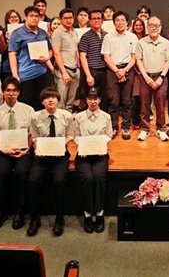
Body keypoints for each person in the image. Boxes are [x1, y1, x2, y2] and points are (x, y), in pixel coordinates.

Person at [0, 77, 35, 231]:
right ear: (3, 92)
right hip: (4, 150)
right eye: (8, 90)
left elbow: (32, 134)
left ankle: (21, 210)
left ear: (19, 92)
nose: (11, 93)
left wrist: (27, 149)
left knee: (21, 172)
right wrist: (2, 149)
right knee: (0, 173)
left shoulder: (28, 110)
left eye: (14, 90)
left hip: (23, 150)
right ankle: (1, 211)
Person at [27, 87, 74, 237]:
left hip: (60, 155)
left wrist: (60, 144)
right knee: (33, 180)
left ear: (58, 100)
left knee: (59, 181)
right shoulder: (35, 117)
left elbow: (71, 135)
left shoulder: (67, 116)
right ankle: (34, 219)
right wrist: (38, 146)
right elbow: (34, 137)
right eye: (47, 98)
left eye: (53, 97)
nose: (50, 100)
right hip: (42, 155)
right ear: (42, 102)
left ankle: (59, 218)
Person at [72, 88, 112, 233]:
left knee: (99, 177)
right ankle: (88, 213)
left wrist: (101, 144)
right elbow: (75, 135)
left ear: (100, 100)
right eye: (90, 98)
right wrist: (82, 145)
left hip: (100, 153)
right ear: (86, 100)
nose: (93, 101)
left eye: (95, 98)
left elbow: (109, 135)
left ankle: (99, 212)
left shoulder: (106, 116)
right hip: (83, 154)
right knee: (87, 178)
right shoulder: (79, 117)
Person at [135, 16, 169, 142]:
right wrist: (145, 77)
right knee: (144, 104)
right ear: (147, 27)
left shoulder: (166, 43)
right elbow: (138, 60)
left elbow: (168, 61)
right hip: (145, 77)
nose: (154, 28)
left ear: (160, 27)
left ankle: (161, 129)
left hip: (160, 77)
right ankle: (145, 129)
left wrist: (162, 77)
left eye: (156, 25)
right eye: (151, 25)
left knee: (160, 104)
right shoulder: (141, 42)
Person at [102, 11, 138, 139]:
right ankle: (113, 127)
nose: (120, 22)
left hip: (128, 69)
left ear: (127, 22)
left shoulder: (133, 37)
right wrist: (117, 71)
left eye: (123, 20)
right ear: (114, 22)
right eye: (117, 20)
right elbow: (106, 57)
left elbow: (134, 57)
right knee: (113, 101)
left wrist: (124, 70)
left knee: (127, 101)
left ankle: (126, 127)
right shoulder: (108, 37)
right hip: (112, 70)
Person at [8, 5, 52, 110]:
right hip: (25, 75)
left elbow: (50, 50)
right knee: (25, 105)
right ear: (25, 17)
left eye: (36, 16)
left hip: (42, 73)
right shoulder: (17, 33)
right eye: (31, 16)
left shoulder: (42, 33)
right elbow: (12, 54)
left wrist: (47, 57)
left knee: (41, 104)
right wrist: (15, 75)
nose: (34, 18)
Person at [78, 9, 108, 108]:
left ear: (102, 20)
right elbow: (82, 56)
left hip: (105, 70)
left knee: (104, 98)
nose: (96, 20)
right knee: (92, 98)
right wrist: (88, 75)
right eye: (94, 19)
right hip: (92, 71)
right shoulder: (85, 36)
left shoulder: (107, 35)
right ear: (90, 21)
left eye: (99, 18)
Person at [52, 8, 80, 112]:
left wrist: (78, 67)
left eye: (70, 17)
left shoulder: (74, 31)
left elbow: (76, 50)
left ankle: (68, 120)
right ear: (61, 19)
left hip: (75, 69)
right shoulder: (57, 32)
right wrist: (63, 72)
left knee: (70, 102)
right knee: (61, 102)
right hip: (63, 69)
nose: (68, 20)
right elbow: (56, 53)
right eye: (66, 18)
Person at [130, 17, 147, 131]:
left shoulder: (147, 38)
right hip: (134, 72)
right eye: (136, 25)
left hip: (145, 71)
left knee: (144, 98)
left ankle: (144, 120)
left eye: (140, 25)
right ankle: (135, 120)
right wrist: (136, 69)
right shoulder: (130, 38)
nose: (138, 27)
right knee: (135, 97)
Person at [1, 9, 23, 81]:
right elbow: (1, 50)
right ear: (7, 19)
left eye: (16, 17)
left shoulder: (25, 30)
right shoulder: (3, 31)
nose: (14, 19)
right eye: (11, 17)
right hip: (7, 62)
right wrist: (7, 41)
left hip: (22, 61)